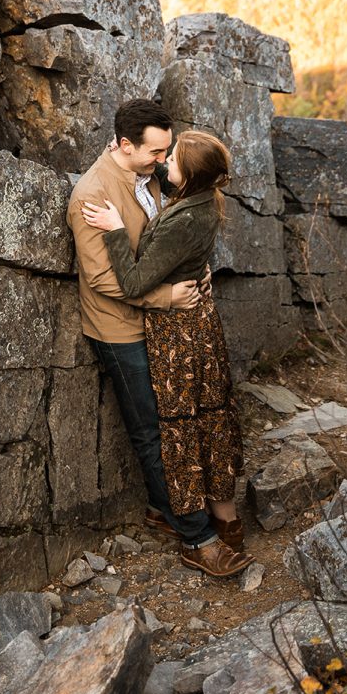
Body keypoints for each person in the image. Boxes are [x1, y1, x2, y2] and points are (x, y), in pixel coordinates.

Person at [67, 100, 252, 578]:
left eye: (168, 151)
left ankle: (162, 508)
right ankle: (197, 538)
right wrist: (169, 297)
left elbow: (177, 231)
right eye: (156, 151)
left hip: (165, 328)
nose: (163, 160)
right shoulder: (92, 194)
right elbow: (102, 279)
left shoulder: (150, 173)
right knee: (154, 431)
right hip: (120, 328)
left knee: (179, 424)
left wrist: (197, 270)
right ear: (125, 145)